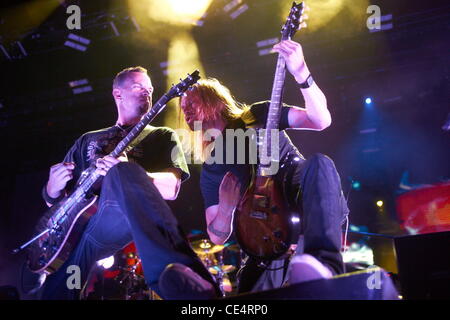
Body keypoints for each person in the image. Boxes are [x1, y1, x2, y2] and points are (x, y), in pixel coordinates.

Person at [180, 40, 349, 293]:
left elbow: (320, 120)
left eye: (190, 104)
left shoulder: (255, 115)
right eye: (183, 110)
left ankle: (326, 267)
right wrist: (226, 208)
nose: (185, 113)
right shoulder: (213, 166)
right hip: (264, 233)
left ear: (212, 101)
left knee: (320, 163)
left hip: (300, 194)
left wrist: (301, 72)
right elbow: (215, 236)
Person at [39, 66, 220, 299]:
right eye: (137, 87)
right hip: (79, 231)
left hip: (118, 215)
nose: (146, 92)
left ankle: (188, 284)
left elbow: (172, 188)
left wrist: (126, 170)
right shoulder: (86, 140)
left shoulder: (161, 135)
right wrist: (52, 188)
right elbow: (56, 204)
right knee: (55, 291)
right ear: (118, 94)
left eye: (150, 89)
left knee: (122, 172)